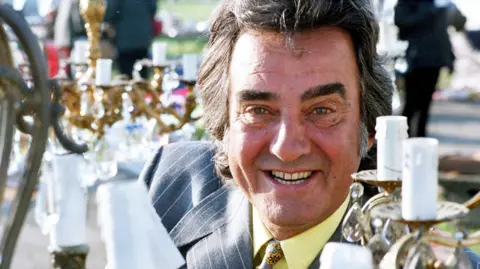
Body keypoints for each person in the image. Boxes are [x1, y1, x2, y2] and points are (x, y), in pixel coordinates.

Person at [139, 0, 480, 268]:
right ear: (223, 124)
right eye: (259, 110)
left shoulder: (425, 260)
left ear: (370, 128)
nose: (288, 148)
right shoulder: (167, 184)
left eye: (321, 110)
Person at [395, 0, 454, 137]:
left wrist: (450, 58)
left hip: (434, 62)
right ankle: (403, 142)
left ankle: (420, 143)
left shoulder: (438, 4)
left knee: (425, 107)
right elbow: (401, 20)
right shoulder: (410, 3)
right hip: (415, 60)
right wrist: (430, 10)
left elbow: (442, 32)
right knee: (411, 105)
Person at [104, 0, 157, 78]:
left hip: (125, 39)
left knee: (127, 76)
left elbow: (110, 12)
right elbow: (153, 8)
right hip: (142, 37)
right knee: (142, 76)